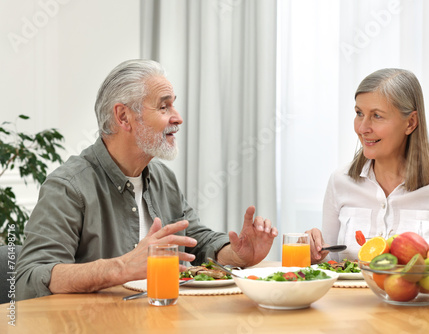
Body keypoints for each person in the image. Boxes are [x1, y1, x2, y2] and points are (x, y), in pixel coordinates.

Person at [15, 59, 278, 300]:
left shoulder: (163, 178)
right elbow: (29, 277)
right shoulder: (69, 187)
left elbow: (196, 243)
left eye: (173, 104)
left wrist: (237, 254)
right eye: (164, 106)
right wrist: (122, 267)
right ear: (123, 117)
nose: (178, 117)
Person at [307, 68, 429, 276]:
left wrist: (427, 272)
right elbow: (331, 266)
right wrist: (315, 256)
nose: (362, 127)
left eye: (377, 116)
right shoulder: (340, 181)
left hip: (420, 308)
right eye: (359, 113)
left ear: (411, 122)